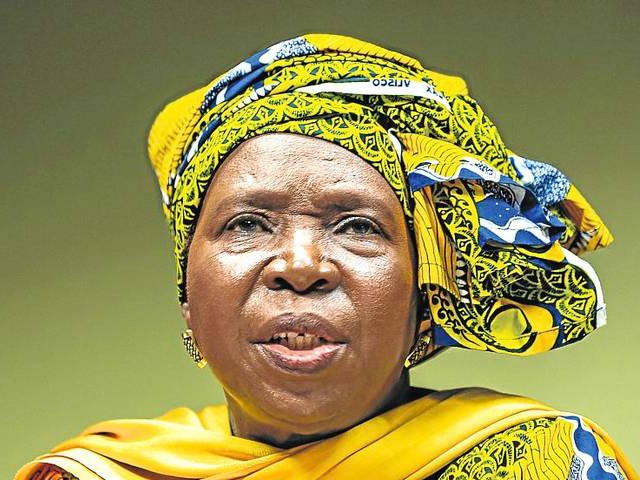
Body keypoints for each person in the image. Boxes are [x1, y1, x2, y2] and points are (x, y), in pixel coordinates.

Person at [16, 34, 637, 480]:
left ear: (427, 293)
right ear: (186, 296)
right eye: (247, 224)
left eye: (358, 226)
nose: (301, 265)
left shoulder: (542, 467)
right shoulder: (95, 475)